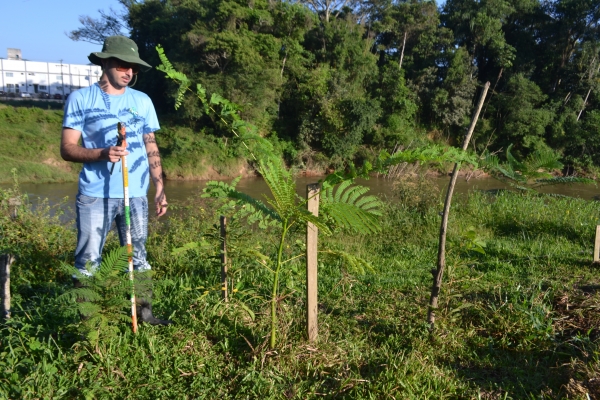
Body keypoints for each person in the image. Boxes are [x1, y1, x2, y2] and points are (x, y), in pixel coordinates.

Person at [61, 35, 171, 325]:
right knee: (88, 260)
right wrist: (101, 153)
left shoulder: (142, 101)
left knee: (138, 256)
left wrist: (159, 186)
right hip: (94, 195)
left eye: (133, 67)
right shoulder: (81, 99)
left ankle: (145, 315)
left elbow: (151, 146)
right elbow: (67, 148)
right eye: (123, 64)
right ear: (106, 62)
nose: (129, 72)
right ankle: (88, 322)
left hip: (134, 194)